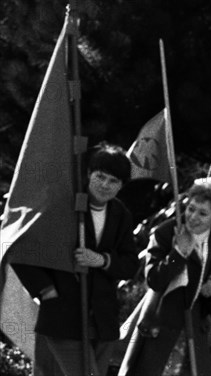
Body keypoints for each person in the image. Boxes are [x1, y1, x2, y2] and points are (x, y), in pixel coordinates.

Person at [12, 142, 138, 376]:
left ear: (121, 186)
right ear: (89, 173)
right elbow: (20, 248)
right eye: (100, 176)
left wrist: (101, 260)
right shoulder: (62, 205)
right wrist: (46, 290)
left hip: (102, 320)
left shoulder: (121, 214)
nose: (105, 185)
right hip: (63, 316)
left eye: (114, 181)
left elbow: (130, 264)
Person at [119, 177, 211, 376]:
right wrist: (179, 253)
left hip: (195, 318)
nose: (193, 217)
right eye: (190, 208)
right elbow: (154, 279)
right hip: (162, 316)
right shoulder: (165, 233)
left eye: (202, 213)